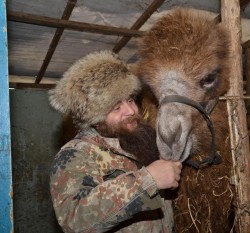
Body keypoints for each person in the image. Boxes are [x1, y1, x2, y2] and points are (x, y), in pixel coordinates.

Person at [49, 50, 182, 233]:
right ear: (96, 118)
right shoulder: (76, 154)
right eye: (116, 107)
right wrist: (148, 181)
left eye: (130, 100)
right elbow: (74, 219)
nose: (130, 111)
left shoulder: (140, 140)